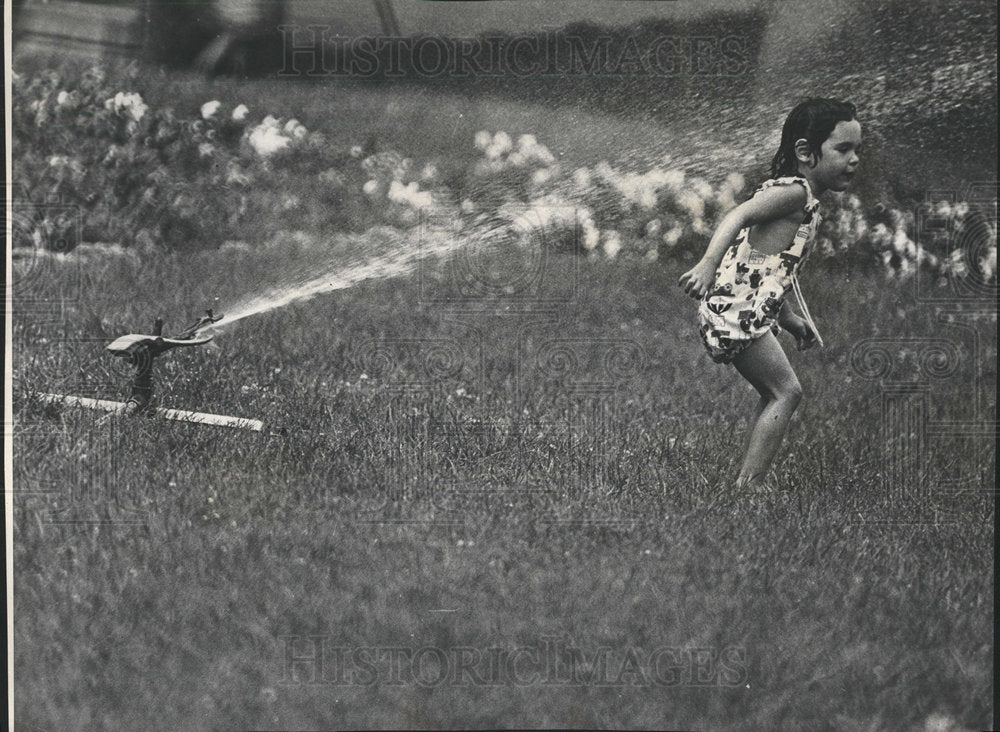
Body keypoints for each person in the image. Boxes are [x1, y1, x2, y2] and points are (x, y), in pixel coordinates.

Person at [678, 98, 861, 489]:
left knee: (774, 391)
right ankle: (750, 486)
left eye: (857, 149)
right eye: (843, 149)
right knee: (787, 392)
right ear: (805, 152)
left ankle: (749, 477)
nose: (854, 159)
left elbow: (771, 270)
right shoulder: (794, 193)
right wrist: (708, 263)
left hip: (743, 309)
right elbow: (738, 215)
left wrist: (791, 320)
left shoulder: (804, 199)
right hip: (735, 312)